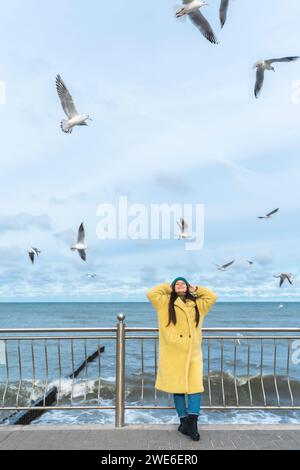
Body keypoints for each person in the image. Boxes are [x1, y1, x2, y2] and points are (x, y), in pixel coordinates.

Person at [147, 277, 217, 441]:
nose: (180, 284)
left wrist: (196, 289)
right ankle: (183, 421)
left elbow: (212, 297)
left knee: (195, 387)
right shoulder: (164, 302)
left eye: (183, 283)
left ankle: (192, 422)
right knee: (177, 387)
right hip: (173, 352)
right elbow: (151, 293)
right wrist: (168, 287)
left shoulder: (198, 304)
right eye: (177, 283)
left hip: (193, 352)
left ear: (187, 287)